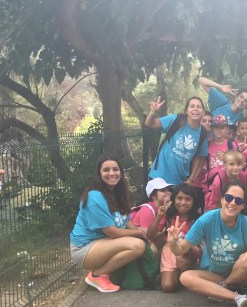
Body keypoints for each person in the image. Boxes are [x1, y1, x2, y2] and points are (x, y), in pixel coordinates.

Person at [167, 180, 247, 307]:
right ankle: (238, 298)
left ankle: (223, 287)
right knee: (185, 277)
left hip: (241, 277)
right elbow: (180, 249)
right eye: (229, 198)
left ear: (242, 205)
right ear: (221, 199)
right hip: (215, 274)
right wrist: (173, 243)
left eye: (238, 200)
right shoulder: (206, 220)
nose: (232, 203)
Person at [70, 155, 146, 293]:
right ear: (99, 173)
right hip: (85, 248)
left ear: (121, 172)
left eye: (115, 169)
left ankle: (109, 272)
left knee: (144, 243)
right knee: (137, 245)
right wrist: (139, 232)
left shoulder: (117, 192)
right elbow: (112, 232)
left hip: (103, 243)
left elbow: (126, 220)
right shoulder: (95, 197)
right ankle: (97, 276)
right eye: (106, 170)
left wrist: (143, 234)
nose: (112, 173)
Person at [146, 96, 208, 187]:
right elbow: (149, 123)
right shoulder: (176, 120)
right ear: (186, 110)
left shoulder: (203, 134)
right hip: (158, 176)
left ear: (203, 112)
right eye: (192, 106)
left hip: (179, 182)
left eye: (199, 107)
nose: (195, 109)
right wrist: (153, 112)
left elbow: (199, 159)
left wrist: (191, 180)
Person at [155, 184, 202, 293]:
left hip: (189, 253)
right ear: (174, 199)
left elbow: (199, 247)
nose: (183, 202)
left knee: (183, 278)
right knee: (168, 286)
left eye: (188, 199)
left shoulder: (197, 219)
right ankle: (172, 274)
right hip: (170, 250)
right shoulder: (168, 215)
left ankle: (183, 272)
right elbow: (150, 235)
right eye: (179, 198)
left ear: (193, 201)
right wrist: (159, 216)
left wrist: (186, 254)